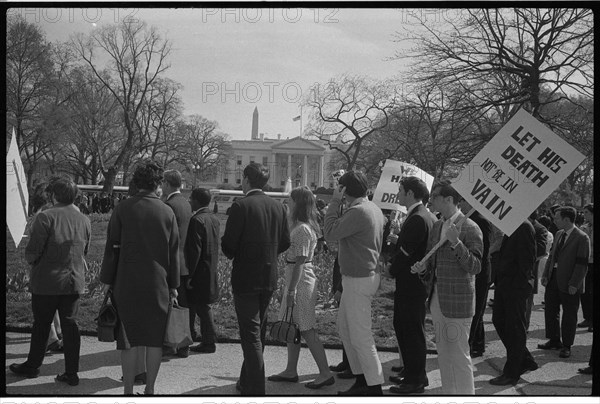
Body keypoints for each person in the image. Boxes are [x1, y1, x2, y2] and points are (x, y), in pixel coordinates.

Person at [100, 160, 180, 395]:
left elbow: (112, 247)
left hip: (127, 280)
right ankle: (150, 390)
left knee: (128, 339)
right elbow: (174, 252)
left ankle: (126, 390)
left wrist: (108, 278)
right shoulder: (167, 211)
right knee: (154, 340)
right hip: (158, 283)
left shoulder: (123, 209)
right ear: (157, 183)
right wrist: (174, 285)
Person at [10, 179, 91, 387]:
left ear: (54, 196)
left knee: (42, 324)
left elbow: (33, 250)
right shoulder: (84, 219)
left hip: (47, 280)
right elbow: (85, 250)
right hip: (73, 279)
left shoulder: (46, 217)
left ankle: (33, 365)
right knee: (71, 326)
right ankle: (71, 372)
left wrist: (32, 260)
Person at [221, 163, 290, 395]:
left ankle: (256, 390)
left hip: (246, 278)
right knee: (257, 332)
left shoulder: (240, 206)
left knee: (251, 337)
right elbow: (285, 243)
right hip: (269, 275)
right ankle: (246, 381)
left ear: (247, 180)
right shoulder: (278, 207)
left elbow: (228, 246)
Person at [411, 180, 483, 395]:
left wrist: (456, 243)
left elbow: (476, 266)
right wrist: (422, 268)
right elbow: (432, 266)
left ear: (449, 199)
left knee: (459, 354)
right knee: (443, 352)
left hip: (458, 301)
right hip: (436, 299)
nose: (430, 201)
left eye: (434, 197)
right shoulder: (437, 226)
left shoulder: (470, 227)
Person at [324, 170, 386, 396]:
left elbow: (329, 232)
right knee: (346, 329)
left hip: (359, 279)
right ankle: (363, 380)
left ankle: (373, 385)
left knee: (360, 335)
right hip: (360, 276)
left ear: (344, 190)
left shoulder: (359, 211)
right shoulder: (372, 208)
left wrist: (333, 201)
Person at [268, 186, 335, 389]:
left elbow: (300, 262)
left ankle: (325, 372)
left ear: (298, 203)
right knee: (293, 325)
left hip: (301, 280)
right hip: (297, 278)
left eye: (290, 200)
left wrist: (290, 291)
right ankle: (291, 370)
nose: (288, 202)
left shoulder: (303, 229)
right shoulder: (300, 227)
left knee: (306, 328)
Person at [384, 176, 435, 394]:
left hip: (411, 283)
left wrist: (391, 269)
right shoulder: (422, 215)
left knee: (411, 330)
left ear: (411, 193)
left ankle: (415, 379)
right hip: (414, 283)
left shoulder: (417, 217)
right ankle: (412, 371)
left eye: (401, 191)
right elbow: (411, 246)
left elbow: (407, 252)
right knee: (405, 327)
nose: (398, 194)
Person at [489, 220, 538, 386]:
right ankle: (524, 359)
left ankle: (512, 372)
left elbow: (527, 260)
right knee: (499, 321)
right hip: (504, 284)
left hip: (515, 287)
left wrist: (519, 285)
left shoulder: (523, 227)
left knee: (515, 328)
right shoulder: (512, 226)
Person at [539, 206, 590, 359]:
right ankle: (554, 340)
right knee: (551, 310)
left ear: (567, 219)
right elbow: (552, 256)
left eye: (557, 218)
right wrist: (546, 274)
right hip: (553, 278)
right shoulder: (559, 233)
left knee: (569, 314)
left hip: (569, 281)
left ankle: (567, 345)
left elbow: (582, 264)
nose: (554, 220)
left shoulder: (582, 237)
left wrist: (574, 283)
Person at [185, 188, 221, 354]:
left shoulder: (196, 220)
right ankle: (206, 339)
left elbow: (194, 251)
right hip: (210, 267)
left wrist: (189, 275)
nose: (189, 201)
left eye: (191, 199)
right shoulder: (214, 218)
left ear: (198, 201)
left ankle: (208, 341)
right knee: (203, 306)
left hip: (199, 271)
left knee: (201, 307)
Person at [162, 170, 193, 358]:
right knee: (182, 305)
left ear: (167, 183)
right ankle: (183, 344)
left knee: (170, 305)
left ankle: (170, 342)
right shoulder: (186, 204)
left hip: (172, 260)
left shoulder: (169, 205)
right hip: (185, 261)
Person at [458, 200, 492, 358]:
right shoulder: (470, 219)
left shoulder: (480, 221)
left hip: (478, 272)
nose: (460, 205)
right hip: (475, 272)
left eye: (462, 202)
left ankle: (470, 345)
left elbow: (481, 252)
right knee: (476, 310)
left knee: (475, 310)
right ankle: (478, 344)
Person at [526, 211, 549, 332]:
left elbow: (541, 250)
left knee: (526, 300)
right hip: (514, 270)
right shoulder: (517, 225)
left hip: (529, 270)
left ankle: (524, 326)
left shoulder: (540, 228)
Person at [578, 203, 593, 331]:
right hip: (586, 262)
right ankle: (587, 317)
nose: (584, 215)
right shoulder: (584, 227)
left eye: (586, 212)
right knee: (585, 291)